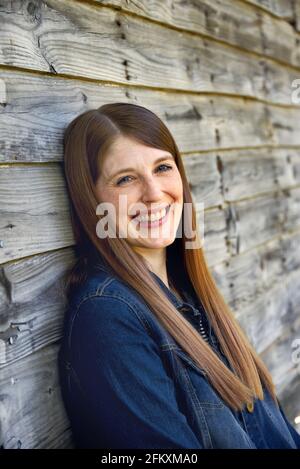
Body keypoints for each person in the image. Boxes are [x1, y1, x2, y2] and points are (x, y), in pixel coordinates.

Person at [58, 102, 300, 449]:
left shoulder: (189, 296)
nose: (154, 194)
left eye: (162, 168)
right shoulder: (108, 316)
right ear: (90, 199)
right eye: (125, 179)